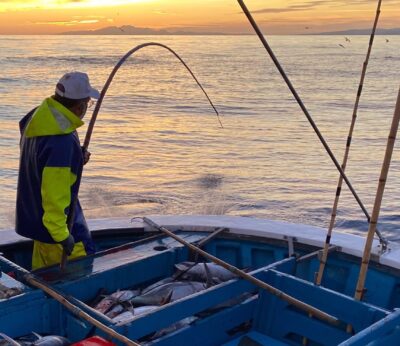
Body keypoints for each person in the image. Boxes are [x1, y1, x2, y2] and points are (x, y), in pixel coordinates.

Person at [16, 72, 99, 270]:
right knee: (80, 277)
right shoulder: (62, 141)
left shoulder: (39, 118)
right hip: (57, 231)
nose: (87, 108)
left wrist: (75, 158)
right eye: (88, 103)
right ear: (80, 106)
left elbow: (41, 161)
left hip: (39, 229)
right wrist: (63, 236)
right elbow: (54, 196)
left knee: (44, 280)